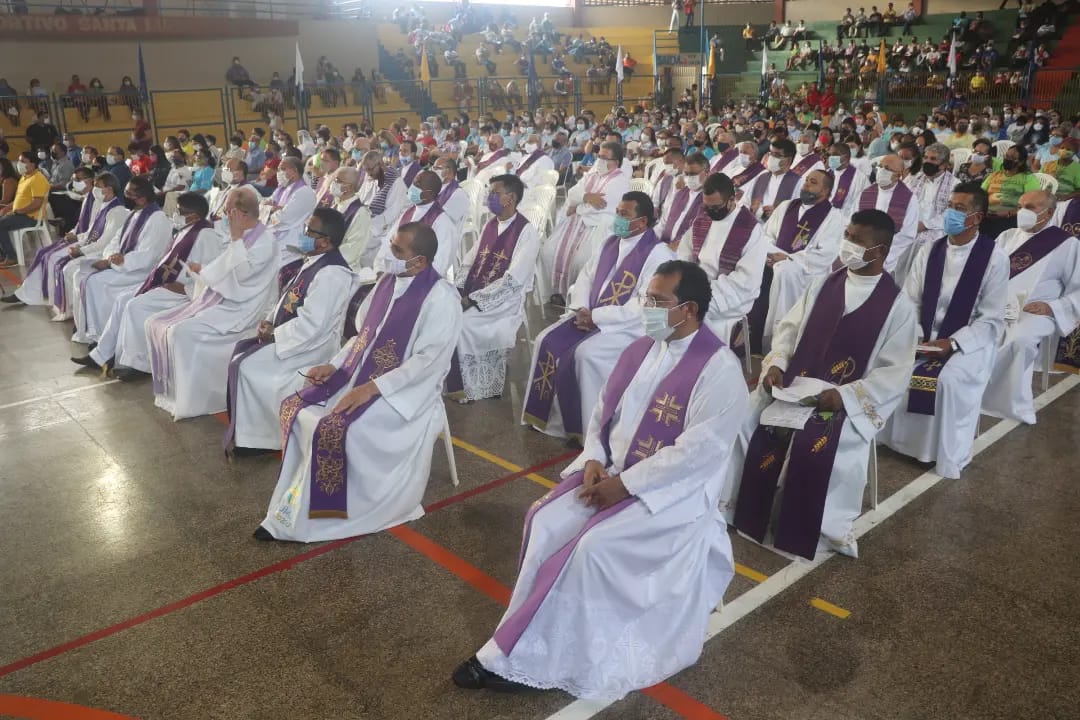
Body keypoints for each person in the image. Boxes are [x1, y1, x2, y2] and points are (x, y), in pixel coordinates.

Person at [454, 260, 747, 700]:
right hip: (612, 472)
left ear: (687, 309)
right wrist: (594, 457)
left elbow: (696, 454)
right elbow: (604, 412)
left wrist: (625, 485)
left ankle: (553, 655)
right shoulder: (643, 348)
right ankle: (525, 635)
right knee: (543, 518)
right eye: (647, 297)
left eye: (657, 301)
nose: (646, 307)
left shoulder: (718, 370)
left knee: (591, 549)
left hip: (670, 496)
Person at [725, 210, 917, 559]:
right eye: (847, 235)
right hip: (794, 386)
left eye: (858, 240)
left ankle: (807, 527)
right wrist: (778, 365)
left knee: (813, 446)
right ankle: (738, 507)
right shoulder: (823, 284)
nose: (848, 245)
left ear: (881, 251)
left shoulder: (898, 307)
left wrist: (844, 395)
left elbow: (895, 372)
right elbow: (788, 329)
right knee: (743, 420)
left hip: (843, 402)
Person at [256, 222, 462, 542]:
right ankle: (294, 496)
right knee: (294, 406)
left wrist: (371, 388)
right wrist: (334, 365)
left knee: (333, 426)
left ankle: (329, 513)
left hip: (404, 394)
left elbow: (427, 362)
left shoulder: (441, 297)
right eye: (390, 244)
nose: (388, 254)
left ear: (420, 261)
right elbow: (362, 338)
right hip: (361, 375)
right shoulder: (387, 283)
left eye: (397, 250)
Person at [523, 191, 676, 441]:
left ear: (643, 222)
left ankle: (586, 429)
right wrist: (582, 308)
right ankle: (549, 419)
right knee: (544, 340)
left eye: (624, 215)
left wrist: (598, 317)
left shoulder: (658, 255)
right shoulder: (610, 242)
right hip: (592, 315)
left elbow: (644, 305)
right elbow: (586, 276)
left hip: (628, 328)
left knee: (585, 355)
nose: (618, 219)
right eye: (617, 212)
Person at [880, 182, 1008, 479]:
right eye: (950, 206)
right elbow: (910, 299)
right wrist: (914, 334)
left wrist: (953, 342)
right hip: (923, 335)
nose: (951, 213)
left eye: (960, 209)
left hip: (968, 340)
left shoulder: (994, 258)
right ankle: (895, 441)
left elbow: (991, 318)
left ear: (977, 218)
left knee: (947, 380)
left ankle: (934, 451)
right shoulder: (930, 250)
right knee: (889, 362)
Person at [224, 207, 357, 454]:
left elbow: (313, 325)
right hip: (293, 337)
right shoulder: (315, 262)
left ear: (326, 241)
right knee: (240, 358)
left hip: (310, 347)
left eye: (309, 231)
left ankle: (263, 438)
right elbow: (289, 299)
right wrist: (270, 320)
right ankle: (249, 432)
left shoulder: (332, 274)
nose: (303, 234)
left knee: (248, 368)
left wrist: (276, 334)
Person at [146, 186, 279, 420]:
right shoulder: (246, 235)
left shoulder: (264, 241)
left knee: (179, 332)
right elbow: (226, 266)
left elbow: (245, 277)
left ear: (240, 214)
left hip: (242, 308)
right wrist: (204, 271)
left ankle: (193, 401)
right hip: (225, 297)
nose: (224, 215)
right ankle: (171, 394)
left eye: (228, 211)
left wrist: (235, 240)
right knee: (154, 322)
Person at [82, 193, 224, 374]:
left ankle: (138, 363)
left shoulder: (207, 236)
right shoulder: (186, 230)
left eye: (179, 211)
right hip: (167, 286)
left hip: (183, 293)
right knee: (122, 300)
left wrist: (186, 289)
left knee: (135, 306)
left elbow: (210, 275)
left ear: (194, 216)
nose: (175, 214)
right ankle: (101, 355)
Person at [982, 191, 1080, 424]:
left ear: (1049, 213)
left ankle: (1006, 403)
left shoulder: (1067, 245)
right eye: (1020, 205)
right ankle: (970, 390)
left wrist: (1053, 307)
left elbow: (1078, 287)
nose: (1022, 211)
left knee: (1020, 342)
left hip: (1033, 311)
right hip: (995, 306)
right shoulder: (1007, 236)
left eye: (1031, 207)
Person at [447, 175, 540, 402]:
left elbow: (513, 280)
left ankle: (470, 385)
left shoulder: (527, 233)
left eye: (495, 193)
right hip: (473, 293)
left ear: (511, 198)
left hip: (502, 301)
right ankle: (445, 380)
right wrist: (458, 288)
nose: (489, 198)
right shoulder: (490, 225)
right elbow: (470, 260)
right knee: (444, 316)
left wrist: (473, 299)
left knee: (461, 325)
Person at [70, 176, 172, 350]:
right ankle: (90, 329)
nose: (125, 196)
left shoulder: (158, 218)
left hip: (140, 271)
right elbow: (115, 241)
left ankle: (101, 336)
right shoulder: (133, 214)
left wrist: (116, 262)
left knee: (95, 283)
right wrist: (110, 257)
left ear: (142, 197)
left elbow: (150, 255)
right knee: (81, 274)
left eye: (129, 193)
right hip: (121, 265)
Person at [756, 169, 846, 352]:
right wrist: (771, 254)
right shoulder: (786, 206)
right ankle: (756, 337)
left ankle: (783, 340)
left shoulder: (834, 217)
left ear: (825, 191)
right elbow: (767, 235)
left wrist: (789, 258)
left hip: (806, 273)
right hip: (772, 263)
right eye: (806, 180)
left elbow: (825, 253)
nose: (806, 185)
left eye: (813, 182)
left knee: (785, 271)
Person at [677, 172, 766, 344]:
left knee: (687, 312)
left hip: (731, 294)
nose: (710, 211)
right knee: (667, 303)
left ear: (732, 200)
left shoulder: (751, 230)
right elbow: (684, 254)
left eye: (716, 207)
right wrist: (685, 281)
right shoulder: (702, 219)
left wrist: (703, 290)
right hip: (697, 285)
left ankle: (700, 362)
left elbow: (746, 280)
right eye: (706, 206)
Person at [541, 142, 630, 300]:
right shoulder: (592, 174)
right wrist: (586, 197)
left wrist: (578, 207)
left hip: (599, 226)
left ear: (616, 162)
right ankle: (556, 292)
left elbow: (601, 207)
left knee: (582, 261)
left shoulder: (620, 181)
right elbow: (573, 193)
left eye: (604, 157)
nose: (600, 160)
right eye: (599, 156)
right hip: (576, 223)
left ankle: (578, 298)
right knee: (547, 252)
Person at [375, 171, 457, 276]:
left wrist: (404, 277)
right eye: (413, 183)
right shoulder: (409, 212)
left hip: (417, 282)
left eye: (417, 185)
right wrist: (380, 268)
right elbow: (389, 242)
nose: (412, 187)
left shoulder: (442, 223)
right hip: (391, 274)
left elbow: (439, 264)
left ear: (429, 193)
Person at [855, 154, 919, 274]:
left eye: (888, 169)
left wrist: (880, 253)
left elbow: (907, 234)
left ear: (899, 175)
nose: (882, 170)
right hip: (860, 253)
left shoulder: (909, 199)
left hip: (886, 258)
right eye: (880, 166)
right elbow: (853, 222)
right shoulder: (866, 193)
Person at [904, 143, 959, 281]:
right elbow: (901, 200)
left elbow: (951, 213)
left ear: (944, 164)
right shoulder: (914, 178)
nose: (928, 162)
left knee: (926, 246)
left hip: (938, 228)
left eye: (933, 159)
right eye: (926, 158)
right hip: (911, 224)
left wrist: (925, 224)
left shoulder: (955, 184)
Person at [264, 156, 318, 290]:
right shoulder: (281, 189)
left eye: (282, 169)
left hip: (292, 243)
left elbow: (283, 219)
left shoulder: (304, 192)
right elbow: (262, 208)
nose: (278, 173)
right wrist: (272, 210)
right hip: (277, 237)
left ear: (294, 171)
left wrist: (270, 211)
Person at [0, 151, 50, 267]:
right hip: (20, 214)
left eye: (23, 161)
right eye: (19, 161)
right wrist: (6, 209)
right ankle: (3, 254)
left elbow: (36, 203)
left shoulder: (38, 179)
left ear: (32, 164)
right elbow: (18, 200)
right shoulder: (25, 177)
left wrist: (19, 211)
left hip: (31, 217)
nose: (19, 164)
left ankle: (12, 257)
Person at [357, 150, 406, 265]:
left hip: (385, 229)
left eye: (370, 169)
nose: (368, 173)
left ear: (380, 164)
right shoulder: (373, 178)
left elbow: (391, 214)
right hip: (370, 223)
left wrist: (368, 227)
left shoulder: (395, 182)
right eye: (366, 170)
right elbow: (364, 199)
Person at [981, 144, 1040, 238]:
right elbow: (981, 194)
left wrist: (1008, 213)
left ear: (1020, 162)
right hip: (987, 216)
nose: (1007, 159)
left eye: (1012, 158)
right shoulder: (995, 175)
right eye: (1006, 156)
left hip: (1010, 218)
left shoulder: (1028, 178)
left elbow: (1032, 205)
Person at [741, 139, 804, 222]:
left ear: (788, 160)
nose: (772, 157)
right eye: (771, 153)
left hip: (775, 230)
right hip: (752, 226)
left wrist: (777, 214)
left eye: (777, 155)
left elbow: (798, 213)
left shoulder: (798, 183)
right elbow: (745, 202)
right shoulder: (762, 176)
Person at [658, 152, 708, 248]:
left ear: (706, 172)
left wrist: (678, 246)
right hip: (665, 245)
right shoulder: (680, 192)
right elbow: (664, 221)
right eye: (686, 174)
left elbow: (701, 233)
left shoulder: (710, 198)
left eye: (693, 174)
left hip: (685, 251)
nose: (689, 178)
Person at [327, 166, 373, 270]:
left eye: (338, 181)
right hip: (326, 260)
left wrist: (325, 255)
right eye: (334, 179)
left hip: (342, 268)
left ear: (349, 187)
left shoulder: (361, 213)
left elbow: (352, 249)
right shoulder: (336, 204)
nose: (333, 183)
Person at [826, 142, 870, 217]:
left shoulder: (860, 178)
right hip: (824, 216)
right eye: (830, 155)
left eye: (835, 155)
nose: (831, 157)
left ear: (846, 158)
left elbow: (864, 203)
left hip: (846, 219)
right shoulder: (826, 173)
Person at [432, 156, 470, 229]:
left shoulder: (458, 194)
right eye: (434, 168)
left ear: (449, 172)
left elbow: (443, 218)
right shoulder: (439, 187)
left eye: (437, 168)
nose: (434, 171)